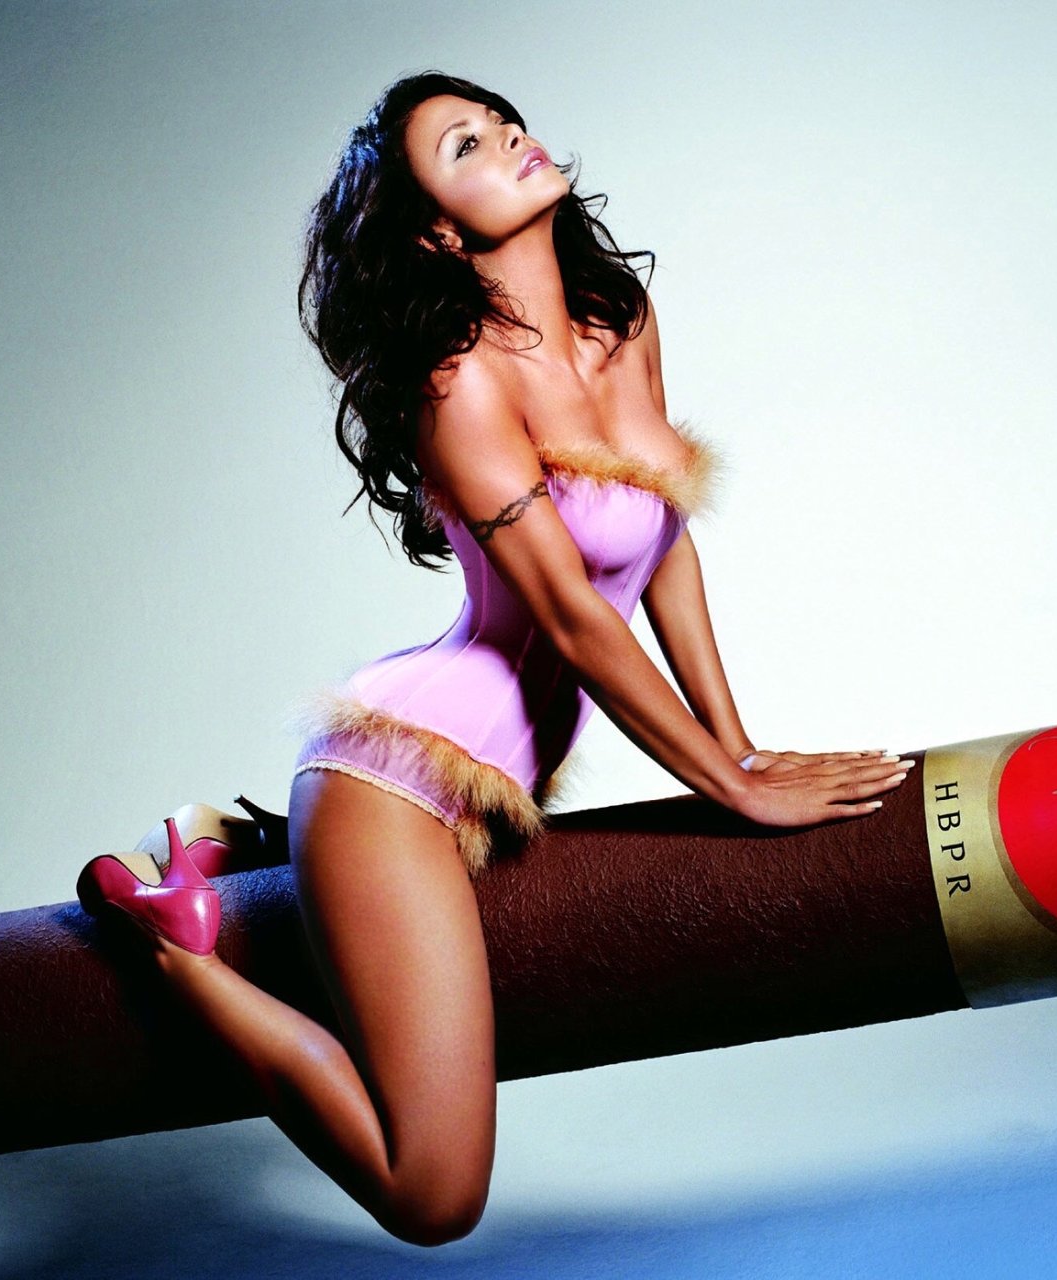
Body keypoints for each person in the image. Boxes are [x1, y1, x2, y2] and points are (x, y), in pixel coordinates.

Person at [73, 71, 914, 1247]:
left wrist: (741, 747)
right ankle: (173, 942)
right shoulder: (457, 380)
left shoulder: (616, 321)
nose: (511, 139)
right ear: (434, 228)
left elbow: (662, 542)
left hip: (475, 787)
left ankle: (226, 836)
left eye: (503, 121)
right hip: (397, 789)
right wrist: (731, 789)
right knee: (434, 1194)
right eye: (466, 145)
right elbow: (572, 617)